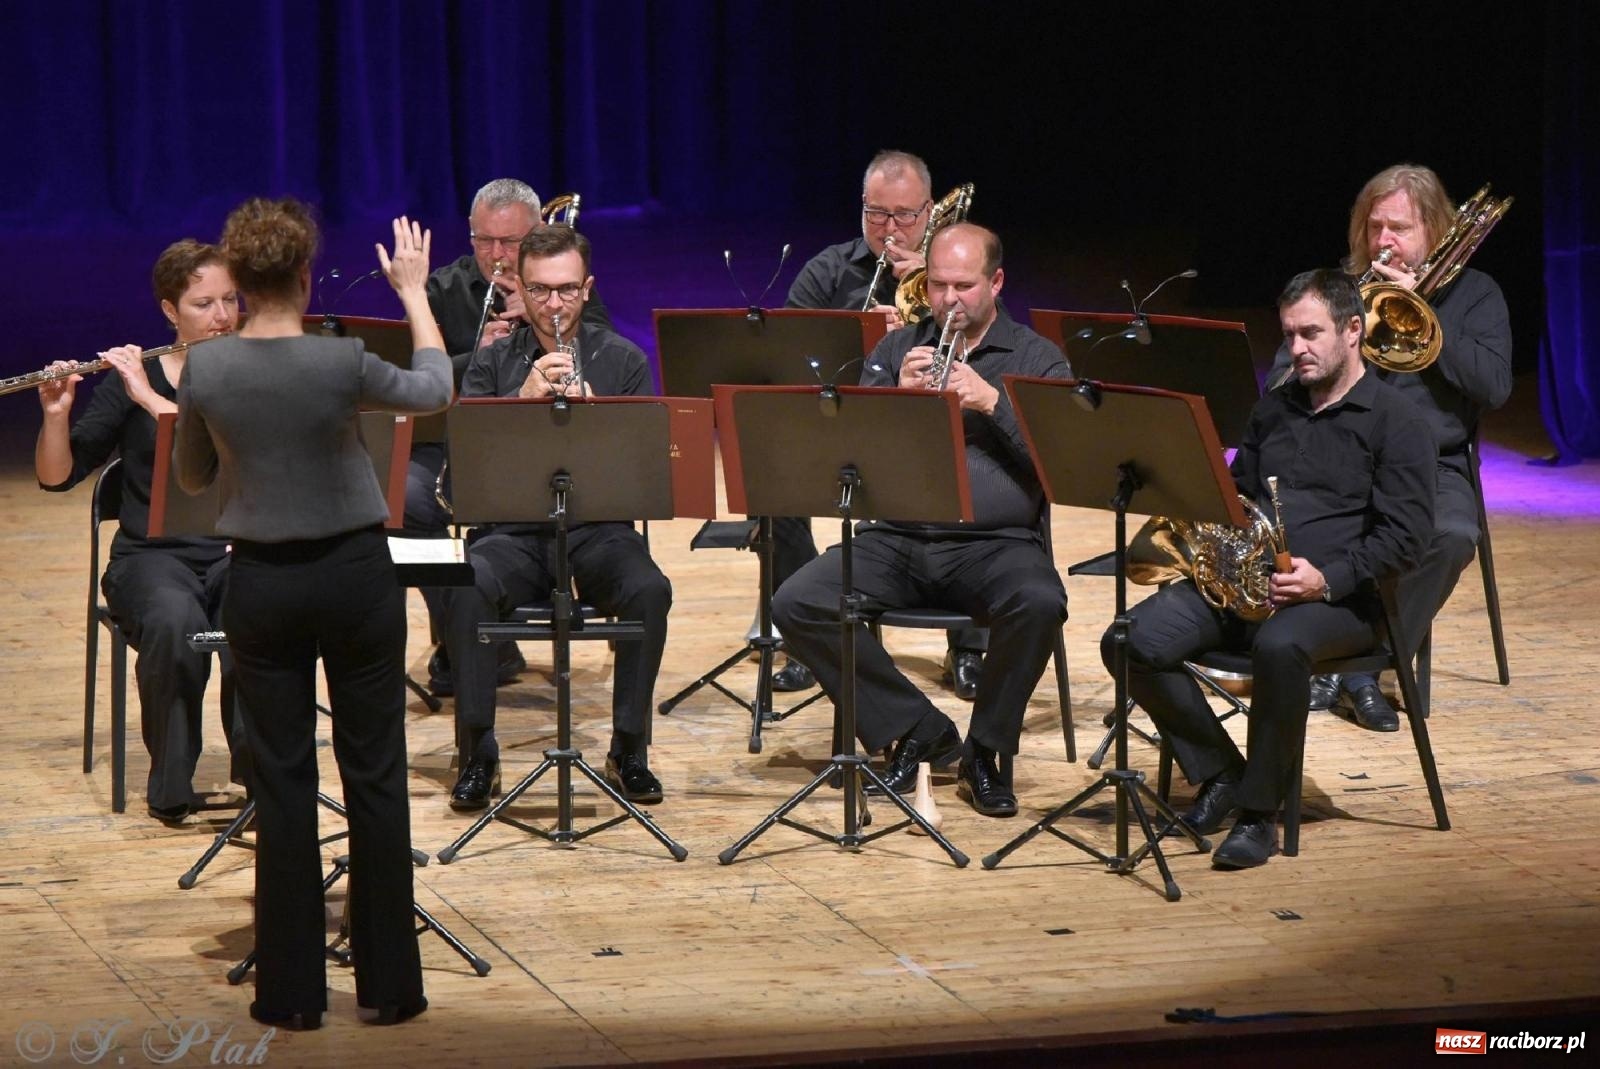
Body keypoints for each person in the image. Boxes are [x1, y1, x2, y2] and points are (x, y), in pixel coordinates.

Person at [174, 200, 452, 1028]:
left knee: (283, 781)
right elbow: (436, 389)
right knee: (375, 773)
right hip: (356, 578)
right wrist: (414, 292)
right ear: (303, 275)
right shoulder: (343, 361)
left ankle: (291, 993)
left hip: (262, 581)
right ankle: (391, 985)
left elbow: (190, 477)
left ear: (243, 282)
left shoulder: (208, 369)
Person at [1112, 268, 1436, 868]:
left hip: (1345, 602)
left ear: (1353, 330)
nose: (1297, 349)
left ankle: (1259, 815)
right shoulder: (1274, 408)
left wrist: (1327, 578)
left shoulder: (1399, 421)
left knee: (1281, 648)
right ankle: (1222, 773)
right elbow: (1237, 494)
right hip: (1251, 585)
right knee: (1130, 640)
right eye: (1289, 335)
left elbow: (1407, 539)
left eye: (1311, 334)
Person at [772, 222, 1069, 818]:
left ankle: (986, 751)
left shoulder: (1038, 358)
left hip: (996, 545)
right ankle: (919, 728)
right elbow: (848, 460)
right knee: (798, 600)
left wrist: (990, 401)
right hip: (898, 538)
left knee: (1039, 602)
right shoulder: (892, 352)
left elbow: (1060, 464)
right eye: (937, 285)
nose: (949, 300)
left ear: (996, 282)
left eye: (964, 285)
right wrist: (893, 404)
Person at [443, 225, 672, 810]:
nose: (554, 305)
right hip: (514, 532)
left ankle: (629, 748)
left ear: (587, 288)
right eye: (541, 291)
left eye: (567, 290)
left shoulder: (622, 360)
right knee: (464, 587)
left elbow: (644, 480)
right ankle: (478, 751)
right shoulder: (492, 363)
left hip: (598, 530)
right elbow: (467, 477)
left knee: (649, 589)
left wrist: (595, 419)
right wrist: (520, 402)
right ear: (521, 286)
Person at [1281, 165, 1512, 731]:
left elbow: (1495, 387)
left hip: (1434, 464)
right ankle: (1334, 655)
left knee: (1454, 534)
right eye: (1374, 226)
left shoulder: (1477, 294)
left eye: (1400, 228)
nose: (1384, 241)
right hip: (1342, 460)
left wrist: (1427, 322)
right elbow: (1278, 384)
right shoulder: (1338, 292)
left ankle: (1363, 663)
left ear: (1434, 231)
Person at [36, 240, 248, 823]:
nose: (223, 316)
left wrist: (150, 398)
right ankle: (172, 781)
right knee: (175, 621)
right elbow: (59, 477)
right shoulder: (135, 378)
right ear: (169, 311)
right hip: (152, 559)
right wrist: (56, 417)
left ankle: (262, 777)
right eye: (204, 303)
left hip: (239, 550)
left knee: (260, 610)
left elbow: (234, 450)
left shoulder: (253, 371)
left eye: (231, 299)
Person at [783, 150, 987, 699]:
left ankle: (970, 645)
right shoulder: (826, 271)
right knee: (773, 487)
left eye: (905, 216)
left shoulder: (950, 279)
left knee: (977, 476)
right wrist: (864, 342)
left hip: (931, 432)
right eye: (877, 214)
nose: (890, 229)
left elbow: (988, 351)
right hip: (845, 426)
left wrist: (923, 312)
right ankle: (812, 639)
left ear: (930, 214)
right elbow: (787, 359)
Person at [409, 178, 615, 696]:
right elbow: (412, 381)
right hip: (452, 446)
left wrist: (547, 320)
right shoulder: (443, 290)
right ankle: (473, 638)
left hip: (546, 452)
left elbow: (609, 357)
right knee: (405, 502)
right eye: (484, 241)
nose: (497, 256)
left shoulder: (559, 286)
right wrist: (476, 356)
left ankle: (476, 629)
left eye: (511, 243)